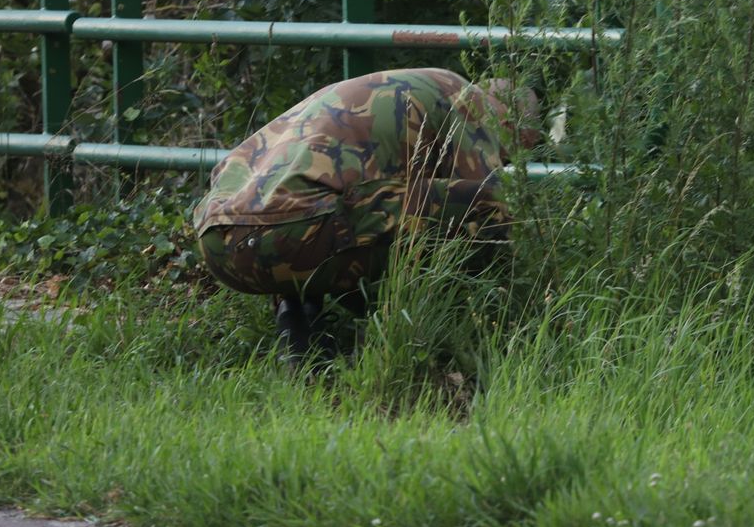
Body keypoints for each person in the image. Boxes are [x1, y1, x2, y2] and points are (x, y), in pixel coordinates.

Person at [192, 67, 539, 356]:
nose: (510, 158)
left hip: (219, 242)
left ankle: (300, 321)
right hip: (294, 232)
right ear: (514, 126)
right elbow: (493, 208)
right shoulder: (471, 105)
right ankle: (430, 339)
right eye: (518, 151)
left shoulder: (416, 88)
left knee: (351, 201)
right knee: (487, 205)